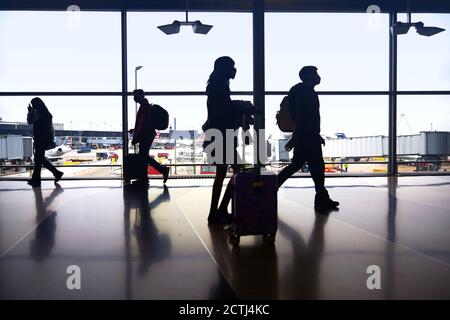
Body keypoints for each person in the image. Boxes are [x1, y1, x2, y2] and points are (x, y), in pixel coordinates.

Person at [277, 66, 339, 212]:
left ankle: (322, 198)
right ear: (308, 76)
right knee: (316, 168)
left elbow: (305, 117)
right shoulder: (306, 92)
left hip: (307, 136)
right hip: (307, 137)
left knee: (301, 166)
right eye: (315, 74)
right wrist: (296, 137)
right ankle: (321, 199)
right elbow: (302, 116)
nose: (318, 76)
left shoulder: (300, 91)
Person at [202, 56, 255, 224]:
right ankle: (220, 210)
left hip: (218, 134)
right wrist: (243, 107)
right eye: (232, 66)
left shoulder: (215, 85)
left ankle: (216, 212)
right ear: (223, 68)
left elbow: (223, 108)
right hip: (222, 135)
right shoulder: (220, 86)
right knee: (237, 172)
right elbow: (225, 109)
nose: (234, 70)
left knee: (222, 174)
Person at [131, 89, 169, 185]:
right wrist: (135, 130)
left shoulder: (144, 107)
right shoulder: (145, 106)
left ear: (140, 96)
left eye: (135, 95)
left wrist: (136, 136)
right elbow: (142, 123)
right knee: (143, 156)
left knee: (144, 156)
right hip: (147, 134)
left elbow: (143, 124)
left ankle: (162, 170)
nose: (134, 98)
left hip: (146, 135)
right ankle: (144, 178)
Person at [26, 98, 63, 187]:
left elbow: (29, 121)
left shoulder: (37, 112)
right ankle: (39, 179)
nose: (33, 106)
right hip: (45, 138)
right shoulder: (46, 114)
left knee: (38, 158)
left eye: (33, 104)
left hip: (40, 139)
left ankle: (54, 174)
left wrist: (30, 112)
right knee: (39, 158)